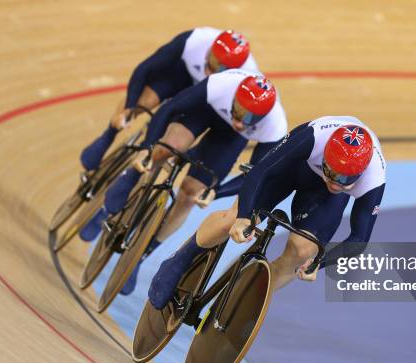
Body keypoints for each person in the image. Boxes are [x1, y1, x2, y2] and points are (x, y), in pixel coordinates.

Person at [82, 69, 288, 295]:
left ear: (263, 118)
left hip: (227, 140)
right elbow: (171, 108)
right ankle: (116, 198)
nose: (240, 121)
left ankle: (139, 256)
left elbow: (256, 175)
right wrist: (148, 149)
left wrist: (216, 192)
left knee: (190, 194)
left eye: (249, 119)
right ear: (234, 98)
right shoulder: (221, 85)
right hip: (203, 112)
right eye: (238, 112)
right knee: (165, 150)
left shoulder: (275, 126)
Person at [147, 116, 386, 310]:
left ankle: (245, 302)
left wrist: (319, 263)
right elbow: (261, 171)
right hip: (295, 169)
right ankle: (180, 260)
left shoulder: (374, 177)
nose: (334, 183)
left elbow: (359, 240)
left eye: (344, 180)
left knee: (303, 253)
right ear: (325, 156)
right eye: (330, 172)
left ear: (361, 174)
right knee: (233, 219)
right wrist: (243, 217)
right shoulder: (313, 137)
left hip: (322, 199)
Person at [79, 27, 257, 172]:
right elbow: (145, 69)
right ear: (209, 49)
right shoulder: (195, 40)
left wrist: (189, 151)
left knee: (169, 143)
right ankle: (109, 134)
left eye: (220, 67)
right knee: (144, 101)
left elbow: (218, 125)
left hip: (206, 97)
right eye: (212, 59)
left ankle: (132, 179)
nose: (211, 67)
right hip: (182, 74)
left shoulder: (243, 83)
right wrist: (129, 107)